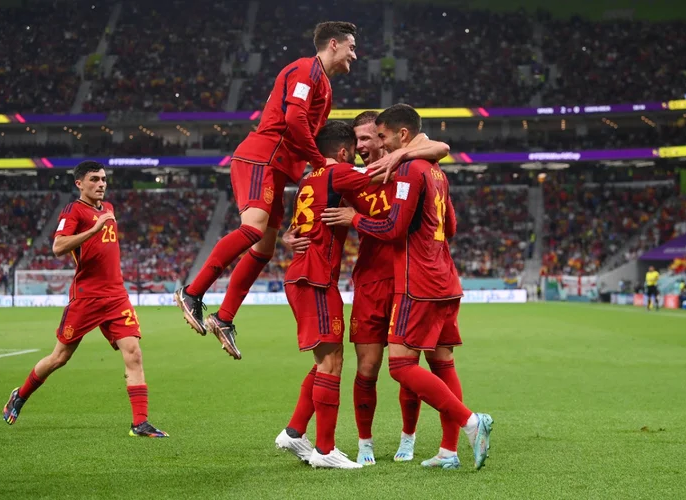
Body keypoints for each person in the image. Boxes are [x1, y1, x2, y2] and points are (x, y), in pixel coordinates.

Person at [174, 21, 358, 359]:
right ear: (333, 44)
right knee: (252, 229)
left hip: (279, 169)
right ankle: (192, 292)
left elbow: (306, 132)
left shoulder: (325, 86)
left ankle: (225, 317)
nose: (354, 55)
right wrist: (320, 162)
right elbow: (293, 121)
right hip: (263, 156)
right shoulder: (306, 70)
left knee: (264, 249)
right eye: (351, 47)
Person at [323, 104, 492, 470]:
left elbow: (398, 225)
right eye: (359, 140)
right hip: (400, 279)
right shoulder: (373, 173)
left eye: (373, 137)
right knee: (410, 365)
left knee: (403, 367)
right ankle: (444, 450)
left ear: (394, 138)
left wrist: (358, 219)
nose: (364, 145)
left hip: (413, 281)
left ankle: (451, 427)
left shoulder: (408, 169)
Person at [2, 161, 167, 438]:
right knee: (60, 357)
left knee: (134, 353)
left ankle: (139, 423)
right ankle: (20, 395)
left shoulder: (109, 208)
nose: (101, 184)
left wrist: (101, 224)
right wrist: (94, 229)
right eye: (94, 179)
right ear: (80, 183)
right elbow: (57, 247)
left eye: (103, 179)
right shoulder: (74, 210)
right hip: (86, 298)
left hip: (116, 296)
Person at [273, 121, 374, 469]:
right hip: (314, 278)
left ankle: (295, 431)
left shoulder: (309, 179)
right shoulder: (340, 173)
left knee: (326, 361)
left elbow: (297, 227)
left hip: (305, 274)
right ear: (343, 152)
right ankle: (325, 450)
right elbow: (380, 177)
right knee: (331, 362)